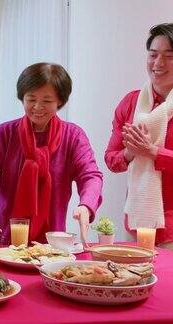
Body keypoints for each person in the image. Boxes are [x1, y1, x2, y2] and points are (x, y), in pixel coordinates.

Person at [0, 62, 103, 246]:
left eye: (47, 101)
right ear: (22, 98)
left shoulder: (73, 136)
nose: (38, 107)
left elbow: (90, 176)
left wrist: (85, 206)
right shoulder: (4, 133)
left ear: (60, 101)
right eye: (31, 99)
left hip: (51, 244)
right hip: (0, 238)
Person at [105, 23, 173, 249]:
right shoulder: (131, 103)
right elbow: (112, 160)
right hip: (137, 220)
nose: (158, 63)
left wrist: (153, 152)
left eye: (169, 56)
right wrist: (130, 152)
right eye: (153, 55)